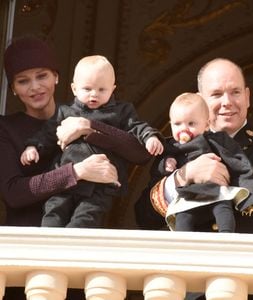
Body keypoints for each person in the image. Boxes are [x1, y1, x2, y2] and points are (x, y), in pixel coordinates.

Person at [135, 58, 253, 299]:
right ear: (200, 99)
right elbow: (143, 216)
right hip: (195, 289)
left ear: (247, 96)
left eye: (235, 92)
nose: (227, 102)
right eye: (216, 94)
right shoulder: (175, 150)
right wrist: (184, 176)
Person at [0, 36, 149, 300]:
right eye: (23, 81)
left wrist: (89, 128)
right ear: (13, 88)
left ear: (56, 77)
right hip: (29, 261)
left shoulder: (84, 112)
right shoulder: (6, 129)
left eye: (41, 75)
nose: (35, 87)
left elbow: (140, 152)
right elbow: (13, 192)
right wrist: (76, 172)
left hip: (82, 256)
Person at [20, 55, 164, 228]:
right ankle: (49, 247)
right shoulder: (65, 112)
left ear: (113, 89)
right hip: (66, 179)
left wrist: (150, 137)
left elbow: (137, 128)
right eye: (87, 88)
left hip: (100, 185)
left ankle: (75, 247)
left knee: (86, 218)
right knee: (54, 212)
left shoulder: (121, 112)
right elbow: (48, 134)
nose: (94, 94)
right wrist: (33, 146)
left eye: (102, 89)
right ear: (74, 89)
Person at [153, 92, 253, 232]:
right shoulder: (170, 147)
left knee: (223, 209)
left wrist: (252, 192)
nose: (183, 128)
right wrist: (166, 164)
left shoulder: (216, 140)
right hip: (189, 193)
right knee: (183, 216)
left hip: (215, 189)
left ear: (206, 125)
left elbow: (238, 163)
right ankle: (184, 245)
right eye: (177, 124)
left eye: (191, 123)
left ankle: (226, 237)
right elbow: (158, 170)